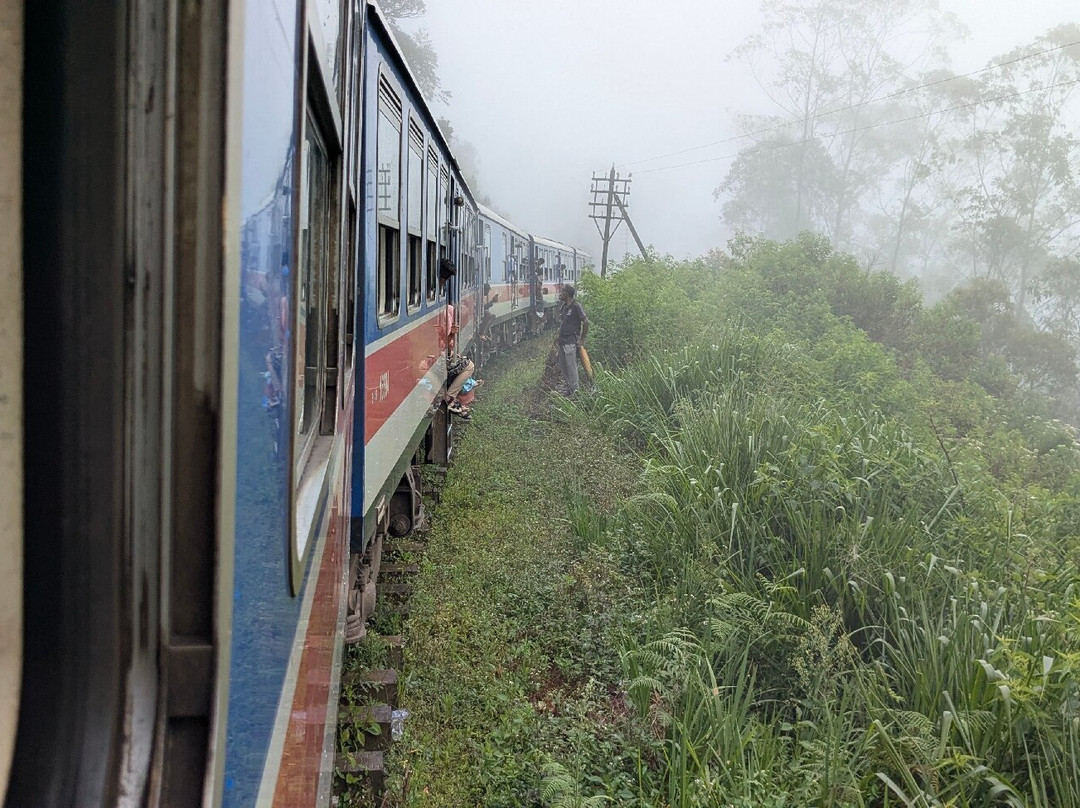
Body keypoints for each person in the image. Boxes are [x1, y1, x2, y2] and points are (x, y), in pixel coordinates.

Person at [556, 284, 588, 395]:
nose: (560, 294)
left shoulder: (576, 306)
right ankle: (569, 388)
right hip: (562, 341)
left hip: (571, 341)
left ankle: (575, 392)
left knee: (571, 367)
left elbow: (586, 322)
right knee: (563, 366)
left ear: (567, 294)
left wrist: (582, 339)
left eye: (562, 292)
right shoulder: (564, 307)